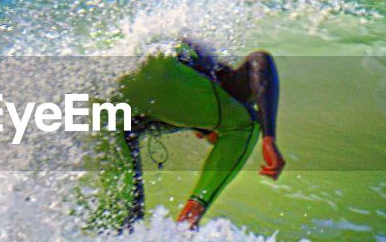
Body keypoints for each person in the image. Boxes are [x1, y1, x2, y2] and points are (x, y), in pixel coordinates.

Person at [90, 40, 285, 231]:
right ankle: (188, 220)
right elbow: (260, 60)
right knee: (247, 125)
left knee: (124, 215)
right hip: (160, 68)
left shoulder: (184, 100)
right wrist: (269, 138)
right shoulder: (214, 77)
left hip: (103, 92)